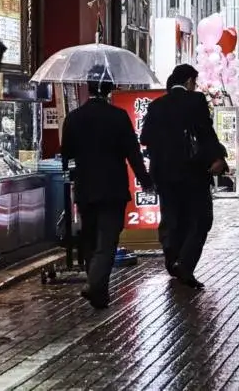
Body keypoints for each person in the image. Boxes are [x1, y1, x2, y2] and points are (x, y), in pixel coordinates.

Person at [61, 64, 154, 309]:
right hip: (113, 189)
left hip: (85, 188)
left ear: (89, 87)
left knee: (90, 239)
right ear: (109, 88)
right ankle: (94, 284)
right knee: (107, 241)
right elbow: (133, 153)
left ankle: (99, 293)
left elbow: (66, 156)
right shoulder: (118, 117)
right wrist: (146, 182)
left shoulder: (73, 118)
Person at [140, 64, 228, 290]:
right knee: (201, 219)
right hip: (193, 172)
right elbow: (206, 133)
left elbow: (145, 137)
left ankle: (172, 261)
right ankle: (185, 264)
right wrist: (217, 157)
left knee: (172, 218)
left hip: (164, 174)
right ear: (189, 81)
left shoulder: (157, 105)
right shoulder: (195, 101)